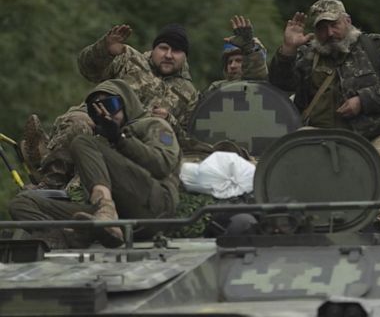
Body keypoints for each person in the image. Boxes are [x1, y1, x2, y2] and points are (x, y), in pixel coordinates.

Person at [21, 23, 197, 190]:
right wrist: (104, 50)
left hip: (132, 140)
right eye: (163, 48)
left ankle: (42, 155)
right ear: (154, 49)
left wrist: (169, 120)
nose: (168, 55)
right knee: (79, 123)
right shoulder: (130, 59)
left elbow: (188, 141)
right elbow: (87, 69)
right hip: (97, 117)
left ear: (185, 56)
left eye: (176, 51)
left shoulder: (189, 93)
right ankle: (48, 182)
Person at [9, 79, 181, 249]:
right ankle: (63, 236)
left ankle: (106, 213)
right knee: (22, 203)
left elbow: (163, 165)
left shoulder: (152, 125)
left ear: (127, 103)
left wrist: (120, 139)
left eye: (111, 104)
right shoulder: (100, 140)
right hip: (117, 217)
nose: (106, 113)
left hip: (154, 206)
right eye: (95, 109)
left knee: (81, 142)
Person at [269, 0, 380, 157]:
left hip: (373, 134)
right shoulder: (307, 54)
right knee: (293, 162)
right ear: (315, 32)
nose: (329, 33)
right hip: (318, 135)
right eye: (322, 28)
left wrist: (363, 100)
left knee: (379, 164)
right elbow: (280, 86)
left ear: (347, 21)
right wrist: (288, 49)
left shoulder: (375, 47)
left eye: (334, 25)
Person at [204, 15, 268, 93]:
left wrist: (249, 48)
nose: (232, 66)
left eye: (239, 61)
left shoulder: (264, 88)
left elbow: (256, 74)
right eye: (229, 62)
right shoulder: (215, 89)